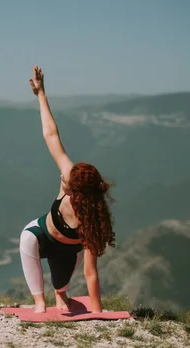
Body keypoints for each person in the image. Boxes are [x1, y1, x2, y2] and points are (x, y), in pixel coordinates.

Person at [19, 65, 116, 313]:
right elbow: (51, 135)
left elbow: (91, 273)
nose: (62, 177)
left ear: (75, 192)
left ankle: (60, 294)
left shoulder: (89, 219)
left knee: (61, 284)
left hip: (67, 250)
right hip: (42, 234)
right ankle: (40, 303)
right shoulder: (69, 174)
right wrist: (41, 94)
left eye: (67, 181)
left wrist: (97, 313)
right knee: (26, 238)